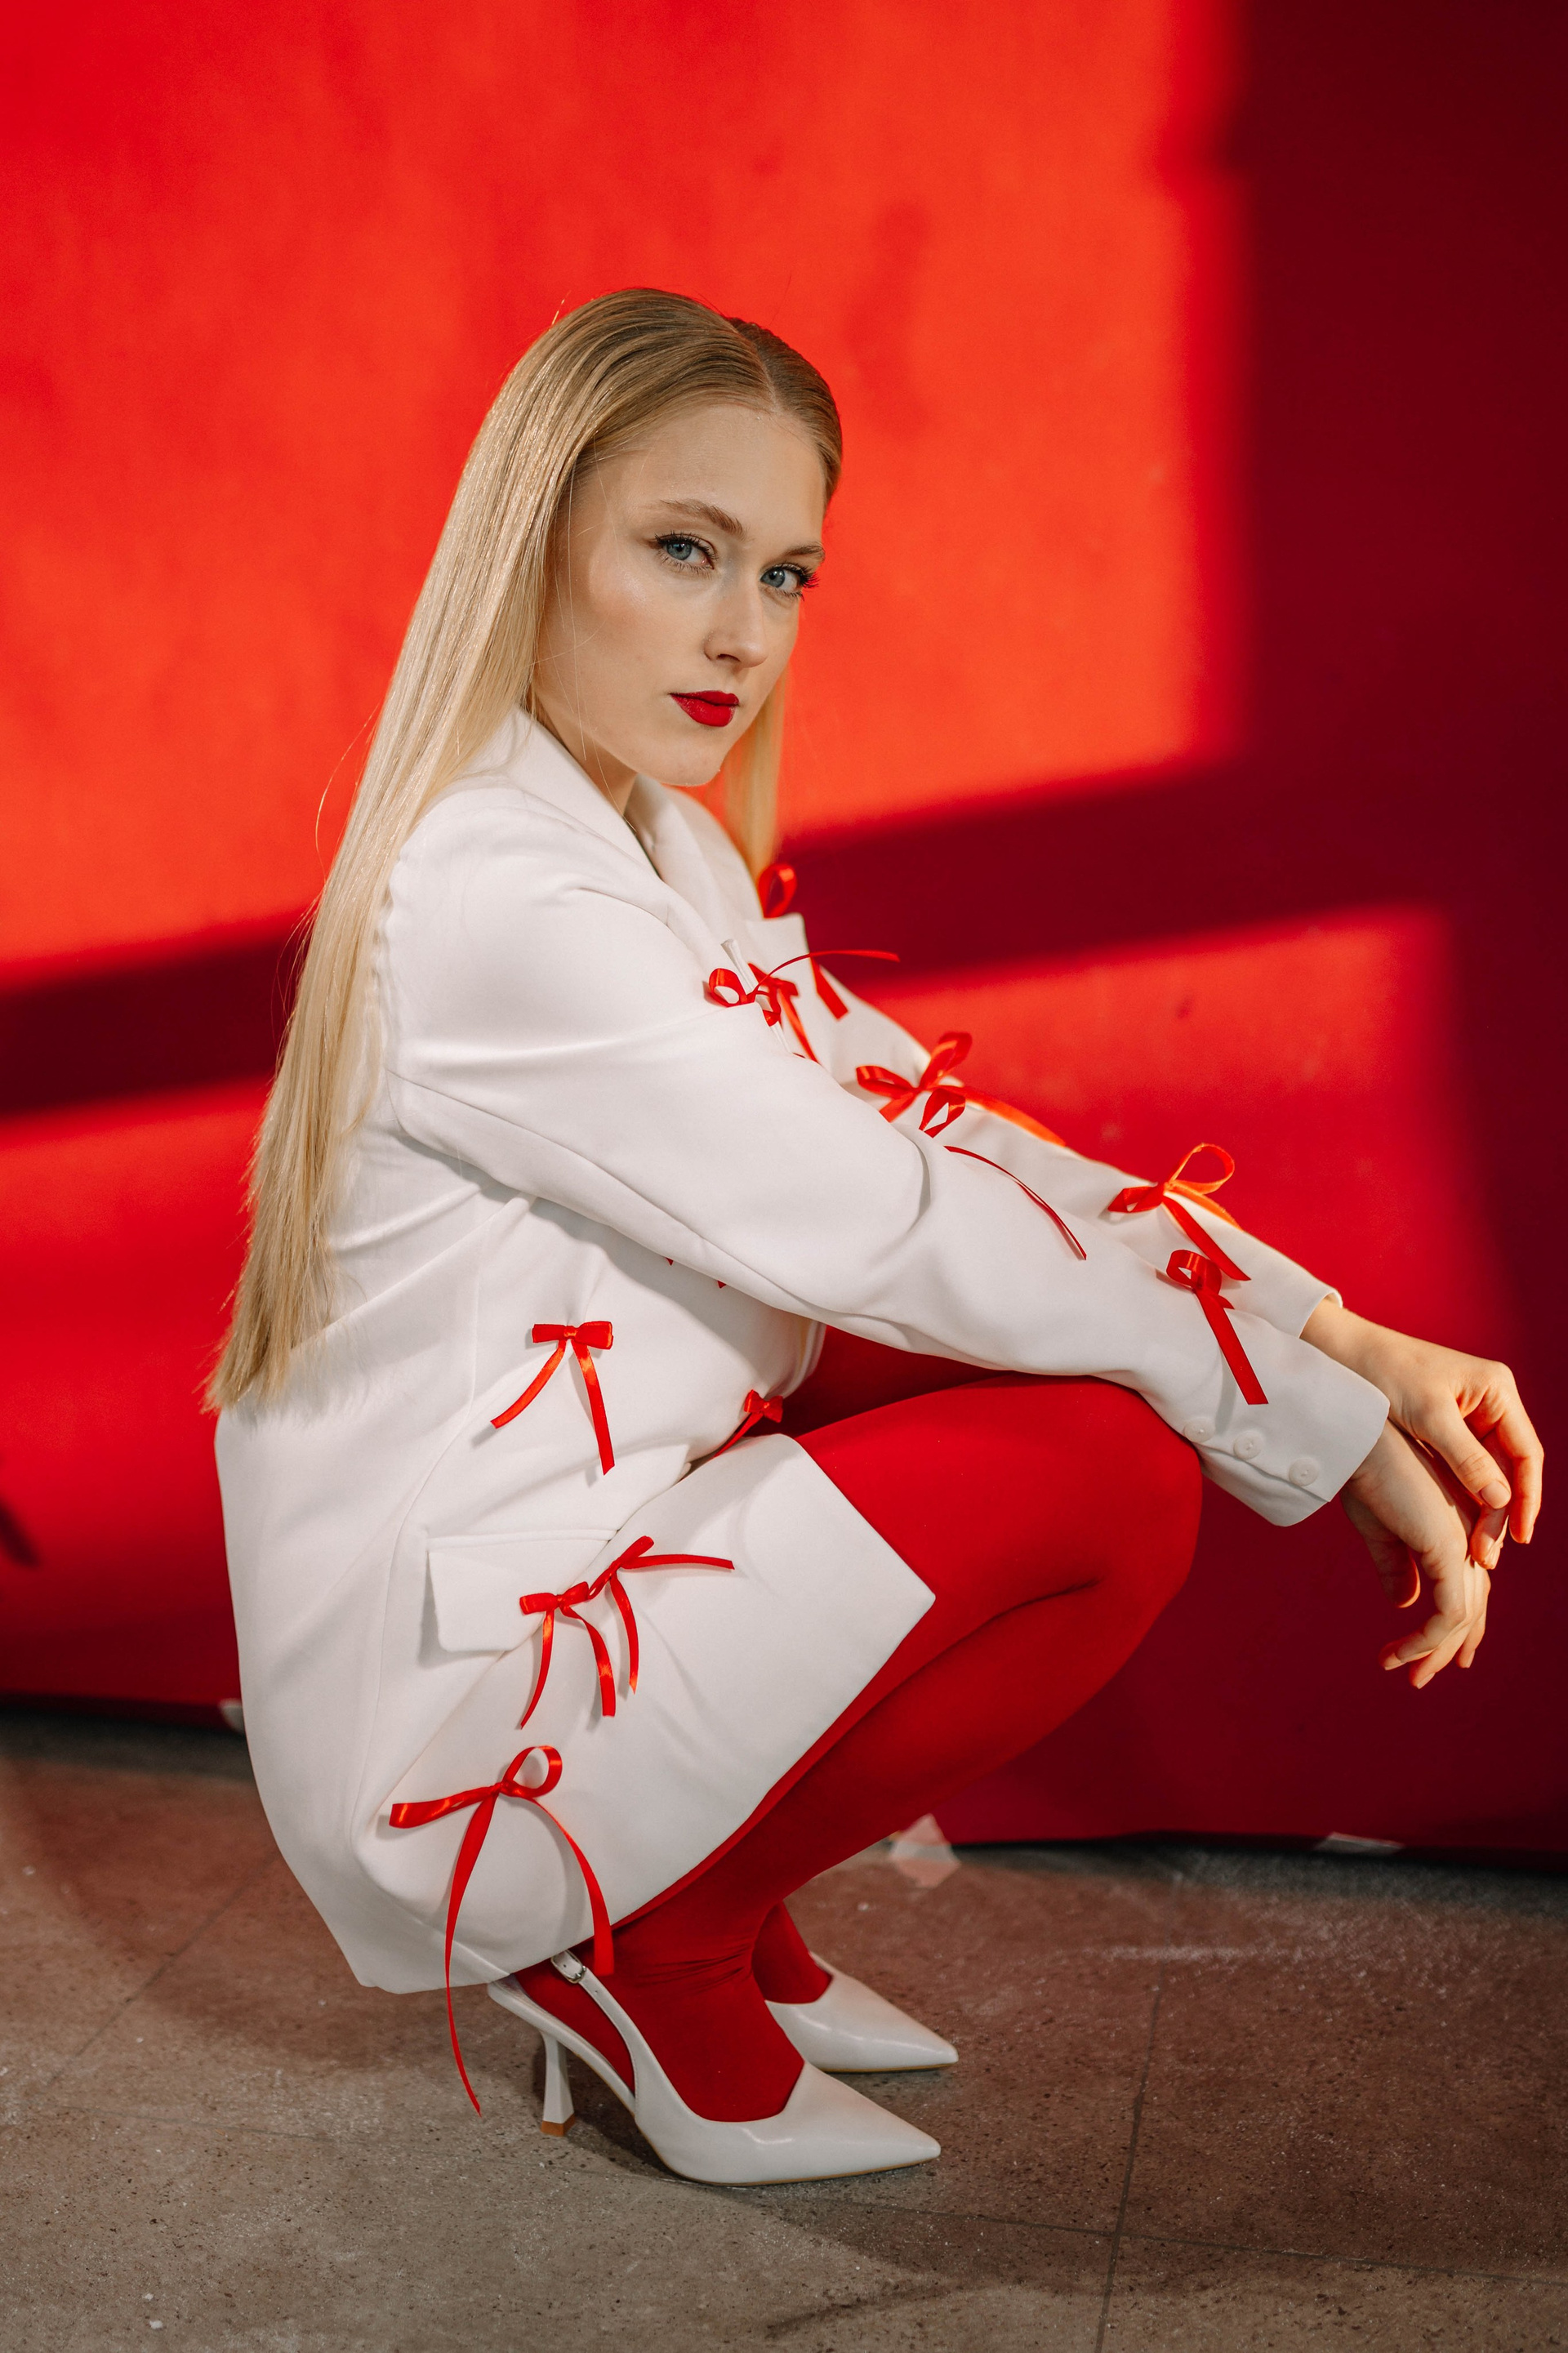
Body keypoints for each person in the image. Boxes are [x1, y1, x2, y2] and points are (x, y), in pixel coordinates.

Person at [211, 289, 1542, 2188]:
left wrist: (1337, 1339)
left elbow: (930, 1127)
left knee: (1044, 1367)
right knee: (1102, 1470)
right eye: (684, 550)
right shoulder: (502, 893)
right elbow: (885, 1217)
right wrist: (1301, 1426)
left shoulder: (655, 843)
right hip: (463, 1719)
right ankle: (640, 1933)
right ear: (535, 542)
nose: (743, 633)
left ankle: (712, 1890)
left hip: (591, 1538)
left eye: (786, 572)